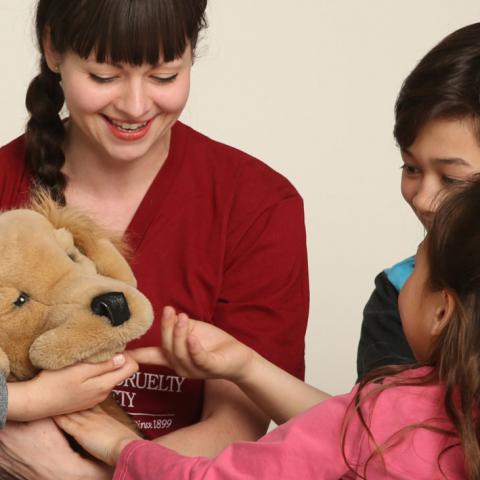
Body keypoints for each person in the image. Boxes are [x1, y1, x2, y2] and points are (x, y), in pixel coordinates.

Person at [0, 0, 309, 478]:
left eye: (165, 76)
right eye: (104, 76)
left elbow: (236, 423)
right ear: (53, 50)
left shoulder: (258, 204)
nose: (136, 106)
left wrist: (73, 475)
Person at [56, 177, 480, 479]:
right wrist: (245, 366)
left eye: (416, 264)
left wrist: (121, 448)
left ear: (442, 311)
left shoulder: (386, 410)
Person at [357, 22, 480, 379]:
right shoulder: (403, 294)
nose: (424, 199)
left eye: (451, 179)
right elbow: (369, 423)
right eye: (411, 167)